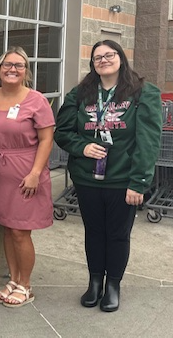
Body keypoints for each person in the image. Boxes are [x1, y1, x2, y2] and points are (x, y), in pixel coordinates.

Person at [54, 39, 161, 312]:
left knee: (117, 234)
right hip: (87, 179)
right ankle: (94, 283)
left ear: (121, 58)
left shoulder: (142, 93)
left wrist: (139, 182)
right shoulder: (80, 94)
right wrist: (83, 147)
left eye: (109, 55)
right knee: (93, 232)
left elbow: (148, 141)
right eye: (97, 57)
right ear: (92, 64)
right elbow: (63, 132)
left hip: (123, 181)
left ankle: (113, 285)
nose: (103, 60)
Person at [0, 47, 55, 308]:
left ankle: (26, 285)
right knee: (8, 229)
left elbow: (46, 140)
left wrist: (35, 173)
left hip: (26, 174)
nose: (12, 69)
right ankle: (13, 279)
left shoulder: (37, 100)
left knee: (21, 231)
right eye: (8, 64)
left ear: (26, 71)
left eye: (19, 65)